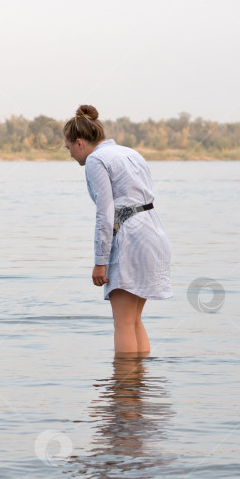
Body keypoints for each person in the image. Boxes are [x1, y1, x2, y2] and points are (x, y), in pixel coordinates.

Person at [63, 104, 173, 357]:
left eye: (68, 148)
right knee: (134, 320)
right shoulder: (129, 153)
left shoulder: (96, 160)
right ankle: (137, 384)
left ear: (80, 143)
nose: (70, 155)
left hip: (130, 236)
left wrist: (100, 262)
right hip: (153, 232)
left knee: (122, 323)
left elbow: (105, 212)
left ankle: (123, 392)